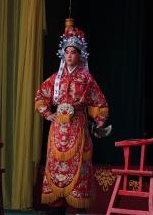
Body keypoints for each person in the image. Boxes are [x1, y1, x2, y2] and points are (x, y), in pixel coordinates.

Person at [35, 19, 109, 214]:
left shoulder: (86, 78)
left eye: (73, 52)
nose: (69, 55)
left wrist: (99, 122)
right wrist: (47, 113)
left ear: (80, 54)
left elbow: (99, 103)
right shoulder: (55, 78)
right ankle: (56, 208)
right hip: (58, 131)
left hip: (78, 128)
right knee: (56, 167)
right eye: (66, 52)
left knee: (79, 167)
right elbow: (41, 96)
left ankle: (78, 209)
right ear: (63, 54)